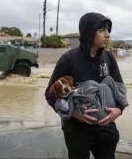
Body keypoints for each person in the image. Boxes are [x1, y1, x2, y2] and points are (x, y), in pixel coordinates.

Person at [44, 12, 127, 159]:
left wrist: (119, 110)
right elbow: (51, 95)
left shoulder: (109, 58)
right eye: (101, 30)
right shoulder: (69, 59)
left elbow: (120, 90)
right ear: (89, 33)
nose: (107, 34)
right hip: (76, 130)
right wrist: (74, 112)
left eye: (108, 30)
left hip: (105, 128)